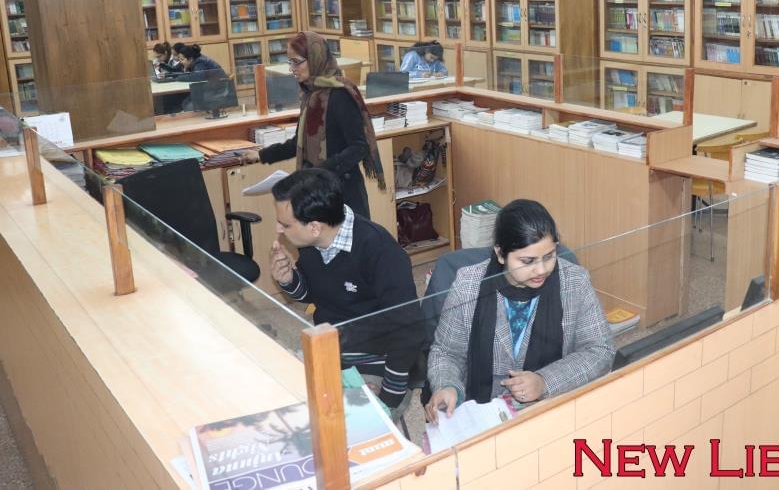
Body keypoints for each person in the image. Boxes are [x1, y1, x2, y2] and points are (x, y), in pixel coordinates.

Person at [426, 200, 613, 422]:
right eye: (527, 261)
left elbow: (600, 350)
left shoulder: (574, 281)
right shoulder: (469, 285)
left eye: (550, 256)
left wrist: (545, 381)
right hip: (481, 410)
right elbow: (446, 352)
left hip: (550, 405)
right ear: (501, 254)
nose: (542, 269)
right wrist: (447, 386)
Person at [270, 168, 424, 412]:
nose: (279, 229)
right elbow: (312, 294)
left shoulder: (380, 251)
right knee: (275, 398)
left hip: (377, 363)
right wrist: (290, 279)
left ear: (314, 227)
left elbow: (408, 329)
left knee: (339, 427)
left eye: (285, 224)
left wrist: (387, 398)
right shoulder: (312, 242)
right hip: (330, 351)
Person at [242, 31, 386, 220]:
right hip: (316, 192)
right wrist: (261, 155)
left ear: (315, 58)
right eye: (290, 62)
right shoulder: (312, 94)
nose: (292, 68)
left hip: (343, 194)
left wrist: (320, 172)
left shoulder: (340, 94)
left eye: (296, 62)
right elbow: (298, 143)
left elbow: (359, 147)